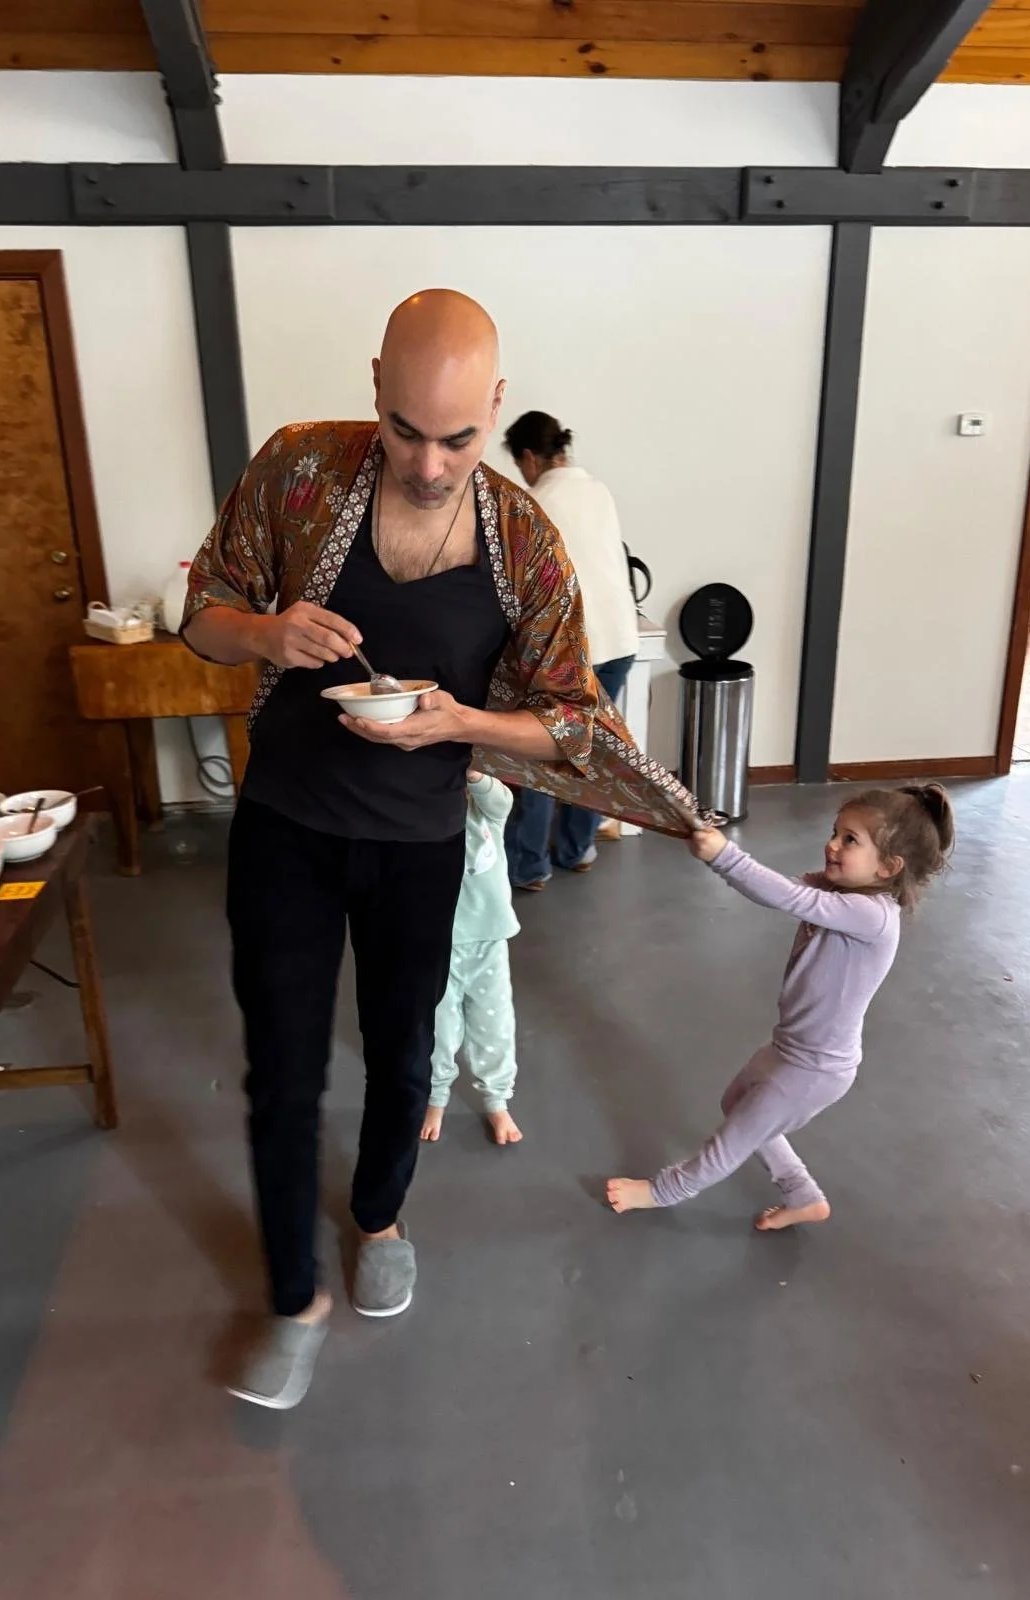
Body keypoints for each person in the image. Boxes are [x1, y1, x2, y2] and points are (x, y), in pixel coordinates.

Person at [182, 289, 705, 1411]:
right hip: (285, 826)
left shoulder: (523, 540)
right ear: (376, 387)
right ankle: (292, 1296)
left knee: (404, 1052)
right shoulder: (301, 470)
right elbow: (203, 613)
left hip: (422, 840)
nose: (428, 465)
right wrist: (267, 631)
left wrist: (461, 722)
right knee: (282, 1066)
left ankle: (379, 1218)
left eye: (459, 439)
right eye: (406, 431)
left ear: (498, 407)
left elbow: (571, 723)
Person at [607, 785, 955, 1228]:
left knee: (734, 1139)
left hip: (816, 1067)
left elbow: (790, 898)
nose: (832, 845)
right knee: (737, 1102)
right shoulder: (836, 889)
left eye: (850, 840)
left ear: (889, 866)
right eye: (835, 832)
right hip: (790, 1047)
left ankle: (662, 1191)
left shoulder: (873, 916)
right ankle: (803, 1196)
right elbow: (785, 887)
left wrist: (723, 856)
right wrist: (712, 847)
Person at [502, 412, 639, 891]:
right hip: (619, 639)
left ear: (528, 457)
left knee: (544, 753)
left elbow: (520, 585)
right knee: (589, 748)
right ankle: (577, 850)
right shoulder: (598, 490)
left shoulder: (532, 502)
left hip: (571, 648)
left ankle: (529, 866)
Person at [421, 769, 522, 1146]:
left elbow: (502, 800)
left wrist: (473, 773)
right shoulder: (422, 816)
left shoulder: (484, 813)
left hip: (488, 941)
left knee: (494, 1026)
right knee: (439, 1028)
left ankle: (497, 1100)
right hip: (437, 944)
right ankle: (435, 1097)